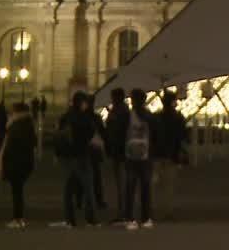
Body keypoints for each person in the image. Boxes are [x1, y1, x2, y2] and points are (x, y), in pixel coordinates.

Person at [52, 91, 99, 228]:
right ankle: (90, 218)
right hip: (82, 155)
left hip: (67, 157)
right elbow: (91, 134)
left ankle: (69, 219)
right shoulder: (85, 117)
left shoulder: (65, 116)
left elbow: (57, 136)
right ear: (82, 103)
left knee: (68, 190)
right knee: (88, 188)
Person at [1, 102, 37, 229]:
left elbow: (11, 145)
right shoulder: (28, 124)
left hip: (17, 162)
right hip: (25, 162)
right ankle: (19, 218)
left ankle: (18, 218)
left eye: (13, 111)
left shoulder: (17, 125)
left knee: (17, 192)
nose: (11, 113)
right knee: (18, 191)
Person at [123, 88, 155, 230]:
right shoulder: (149, 116)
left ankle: (130, 218)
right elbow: (156, 135)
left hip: (130, 155)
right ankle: (146, 217)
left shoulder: (128, 116)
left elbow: (120, 134)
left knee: (130, 188)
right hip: (146, 156)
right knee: (145, 188)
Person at [153, 91, 188, 221]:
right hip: (172, 154)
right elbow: (183, 136)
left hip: (157, 154)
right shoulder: (178, 117)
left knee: (155, 183)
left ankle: (153, 209)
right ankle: (167, 211)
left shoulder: (156, 117)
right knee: (169, 185)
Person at [104, 87, 131, 223]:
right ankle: (123, 210)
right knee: (121, 182)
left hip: (120, 151)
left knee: (122, 182)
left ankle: (123, 212)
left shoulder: (119, 111)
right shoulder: (122, 110)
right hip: (120, 151)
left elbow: (115, 130)